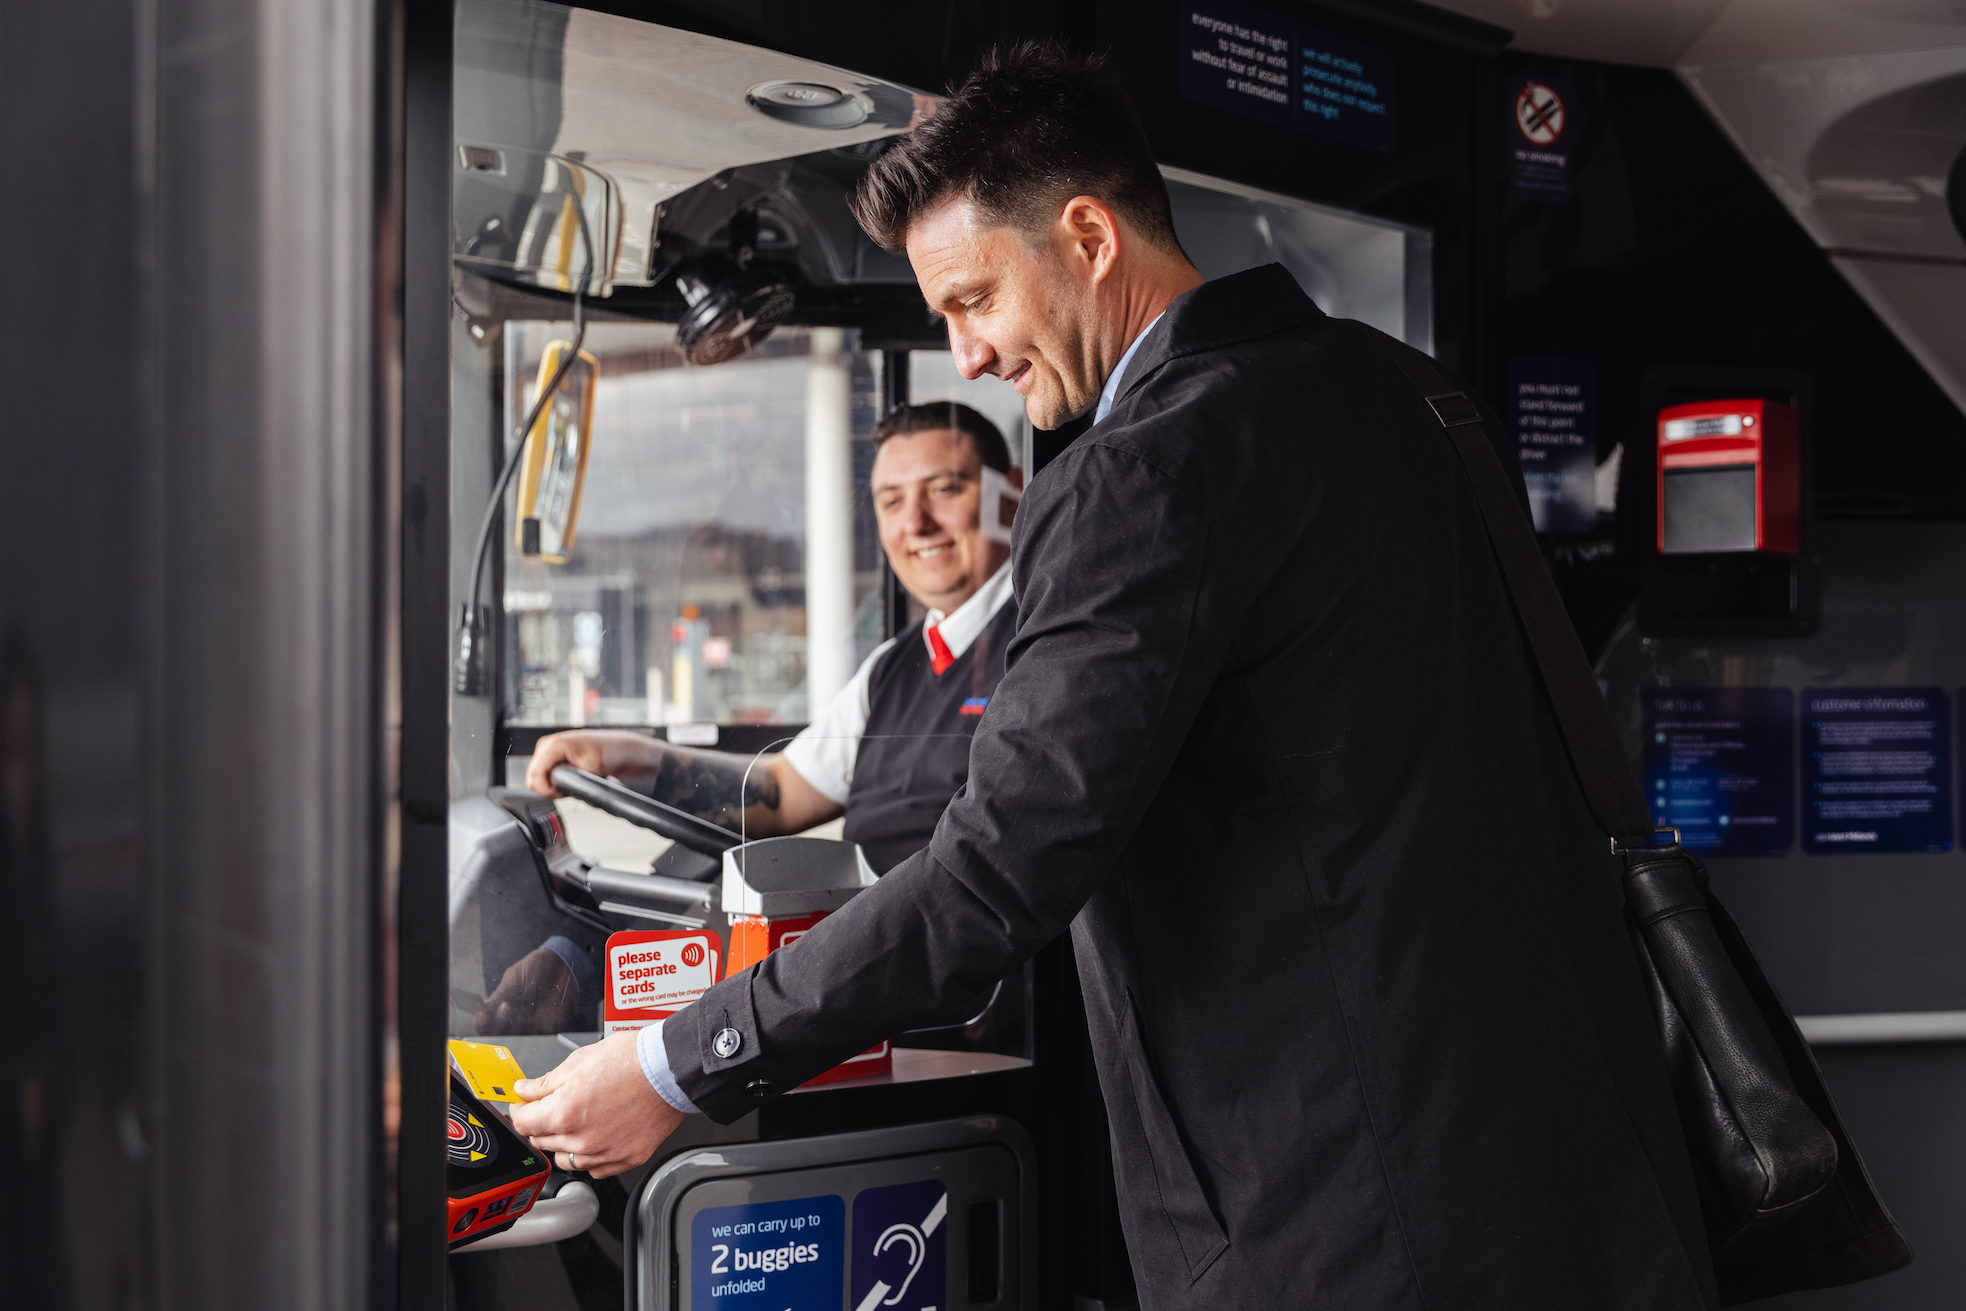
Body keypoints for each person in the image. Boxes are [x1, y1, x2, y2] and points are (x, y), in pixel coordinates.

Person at [512, 42, 1716, 1309]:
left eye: (974, 299)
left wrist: (672, 1068)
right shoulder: (1411, 393)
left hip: (1349, 1219)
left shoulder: (1144, 467)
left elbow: (998, 871)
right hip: (1583, 1159)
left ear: (1086, 235)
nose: (967, 354)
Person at [479, 402, 1020, 1033]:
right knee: (714, 862)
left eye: (945, 490)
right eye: (893, 501)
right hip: (870, 960)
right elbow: (781, 791)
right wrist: (631, 759)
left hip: (947, 995)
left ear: (1007, 492)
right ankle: (573, 959)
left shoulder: (1038, 636)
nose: (917, 523)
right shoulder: (896, 664)